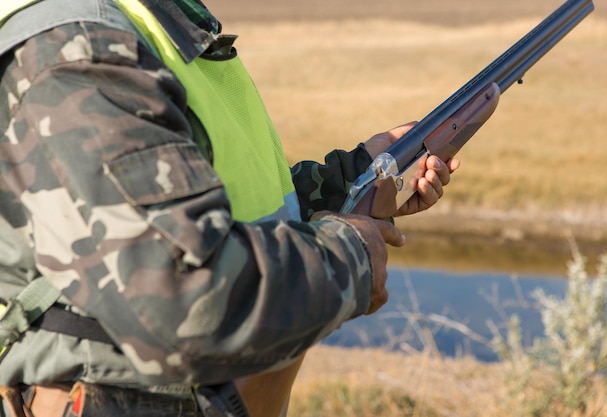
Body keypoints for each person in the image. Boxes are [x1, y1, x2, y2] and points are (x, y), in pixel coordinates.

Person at [0, 0, 459, 416]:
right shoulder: (80, 47)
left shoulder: (158, 24)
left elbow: (224, 205)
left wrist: (351, 181)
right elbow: (181, 296)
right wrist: (354, 253)